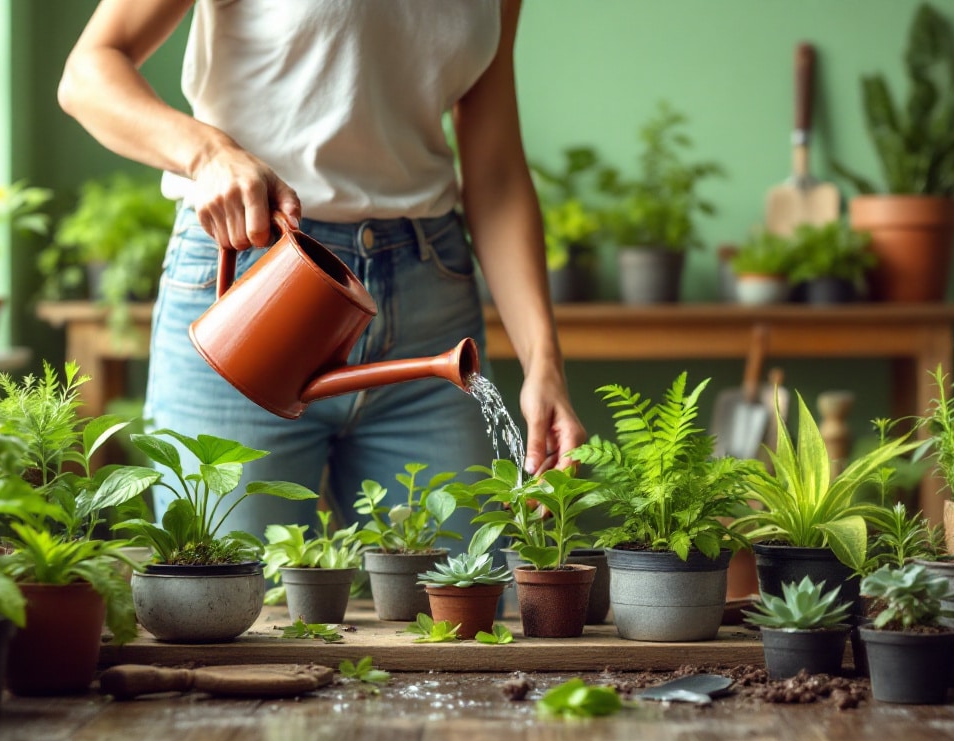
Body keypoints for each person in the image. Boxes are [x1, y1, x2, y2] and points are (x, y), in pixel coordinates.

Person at [59, 0, 586, 538]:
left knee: (459, 599)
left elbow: (494, 169)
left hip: (429, 303)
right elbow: (88, 72)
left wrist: (543, 362)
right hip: (254, 284)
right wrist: (208, 154)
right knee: (229, 597)